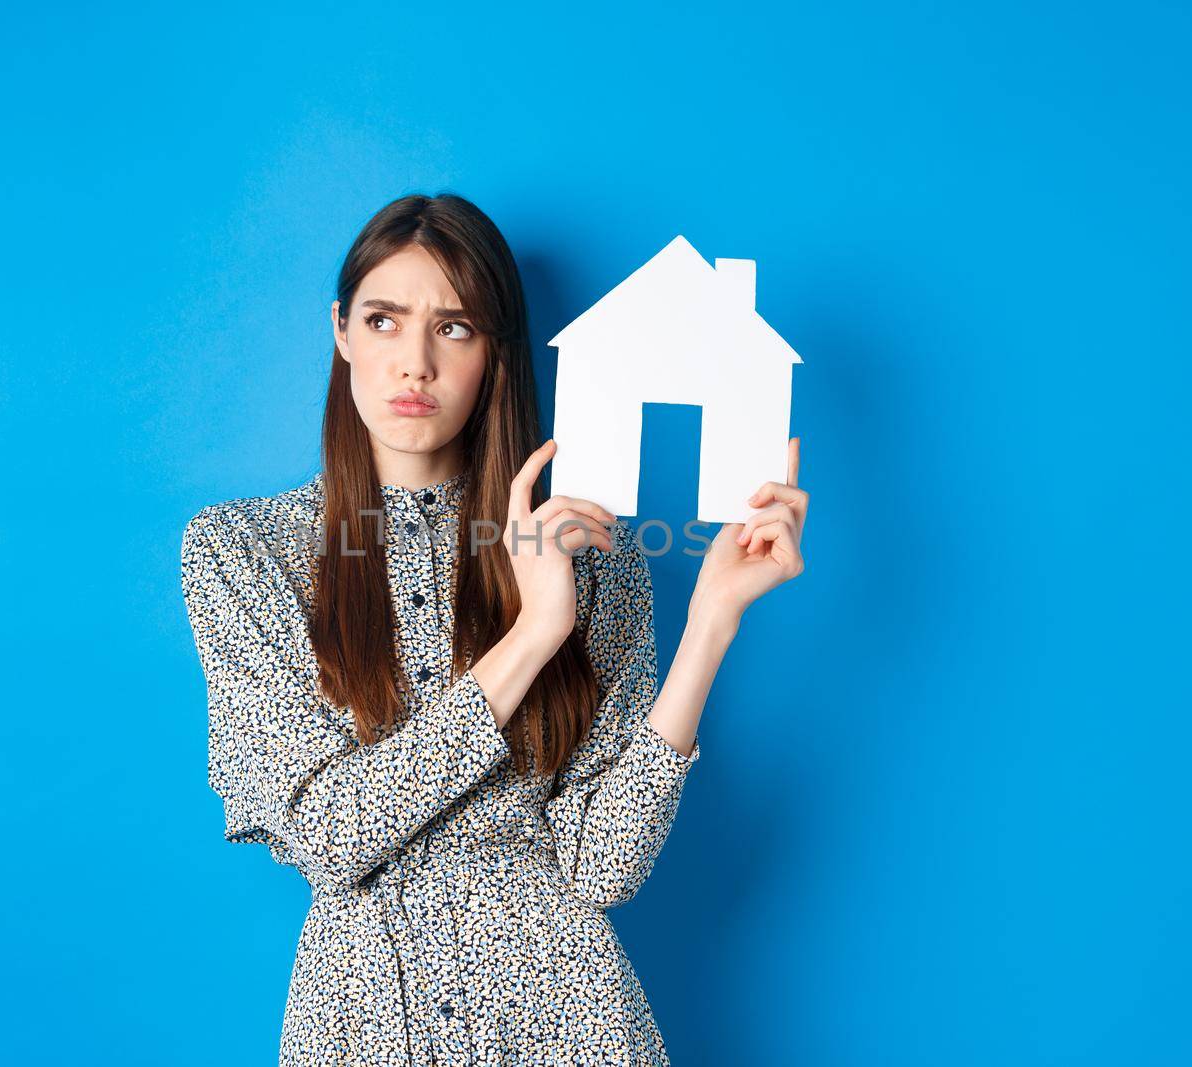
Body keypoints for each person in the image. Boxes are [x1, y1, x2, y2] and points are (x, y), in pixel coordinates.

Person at [179, 192, 809, 1066]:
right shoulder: (246, 550)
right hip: (365, 1024)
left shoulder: (593, 552)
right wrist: (534, 630)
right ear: (341, 332)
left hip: (572, 1022)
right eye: (385, 319)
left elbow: (603, 866)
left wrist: (709, 624)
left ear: (494, 355)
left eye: (455, 328)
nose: (415, 364)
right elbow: (326, 835)